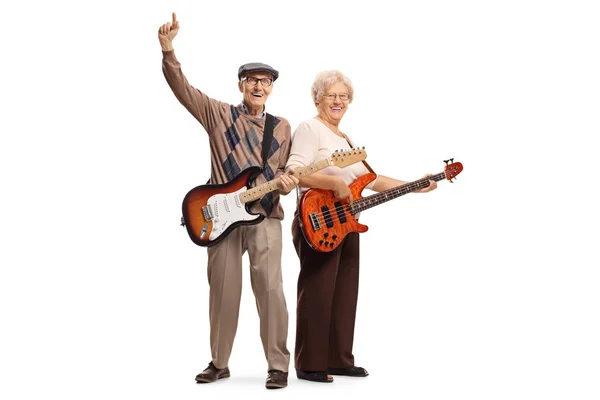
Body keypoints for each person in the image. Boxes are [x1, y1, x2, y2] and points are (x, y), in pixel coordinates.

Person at [158, 13, 298, 389]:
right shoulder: (219, 114)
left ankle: (278, 365)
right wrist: (169, 50)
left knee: (270, 289)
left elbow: (290, 170)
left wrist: (286, 183)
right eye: (252, 80)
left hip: (265, 214)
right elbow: (182, 88)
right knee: (223, 290)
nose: (258, 86)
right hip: (220, 216)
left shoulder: (282, 127)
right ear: (241, 84)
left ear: (271, 89)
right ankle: (219, 362)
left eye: (265, 81)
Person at [285, 70, 438, 383]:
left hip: (347, 223)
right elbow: (294, 171)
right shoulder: (309, 128)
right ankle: (310, 362)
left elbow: (371, 180)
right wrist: (330, 182)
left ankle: (338, 359)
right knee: (318, 289)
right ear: (318, 98)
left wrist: (414, 184)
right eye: (332, 95)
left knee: (344, 292)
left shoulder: (345, 140)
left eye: (343, 96)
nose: (338, 101)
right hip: (317, 220)